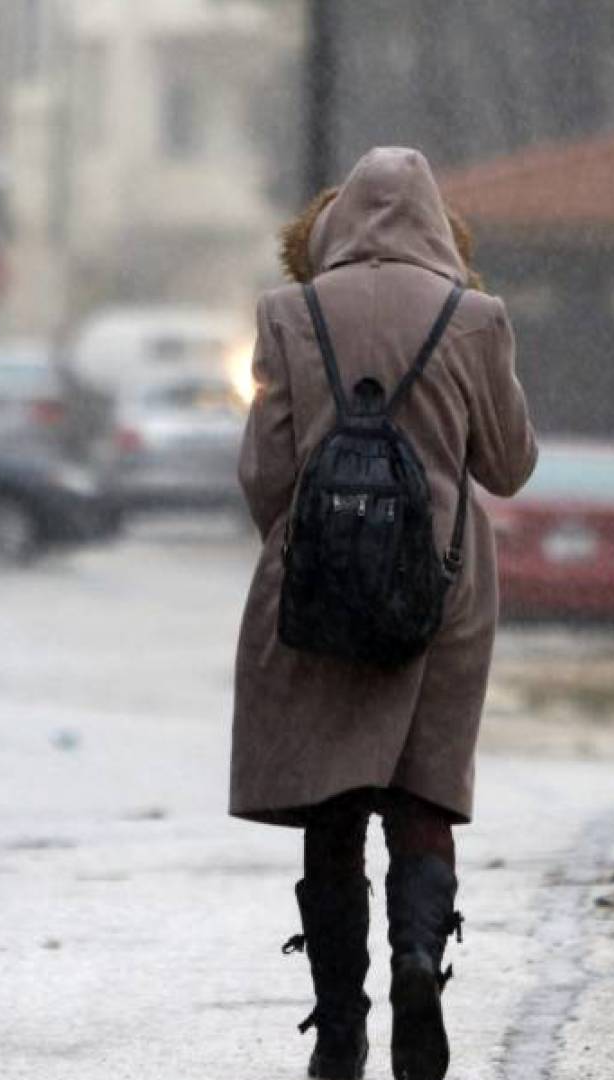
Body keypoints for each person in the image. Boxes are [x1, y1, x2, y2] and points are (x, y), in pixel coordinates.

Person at [233, 148, 539, 1080]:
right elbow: (509, 467)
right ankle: (416, 960)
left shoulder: (289, 312)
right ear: (439, 225)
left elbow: (265, 472)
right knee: (421, 798)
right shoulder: (475, 318)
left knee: (332, 809)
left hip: (321, 588)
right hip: (441, 591)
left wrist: (316, 545)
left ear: (336, 222)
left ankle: (340, 1030)